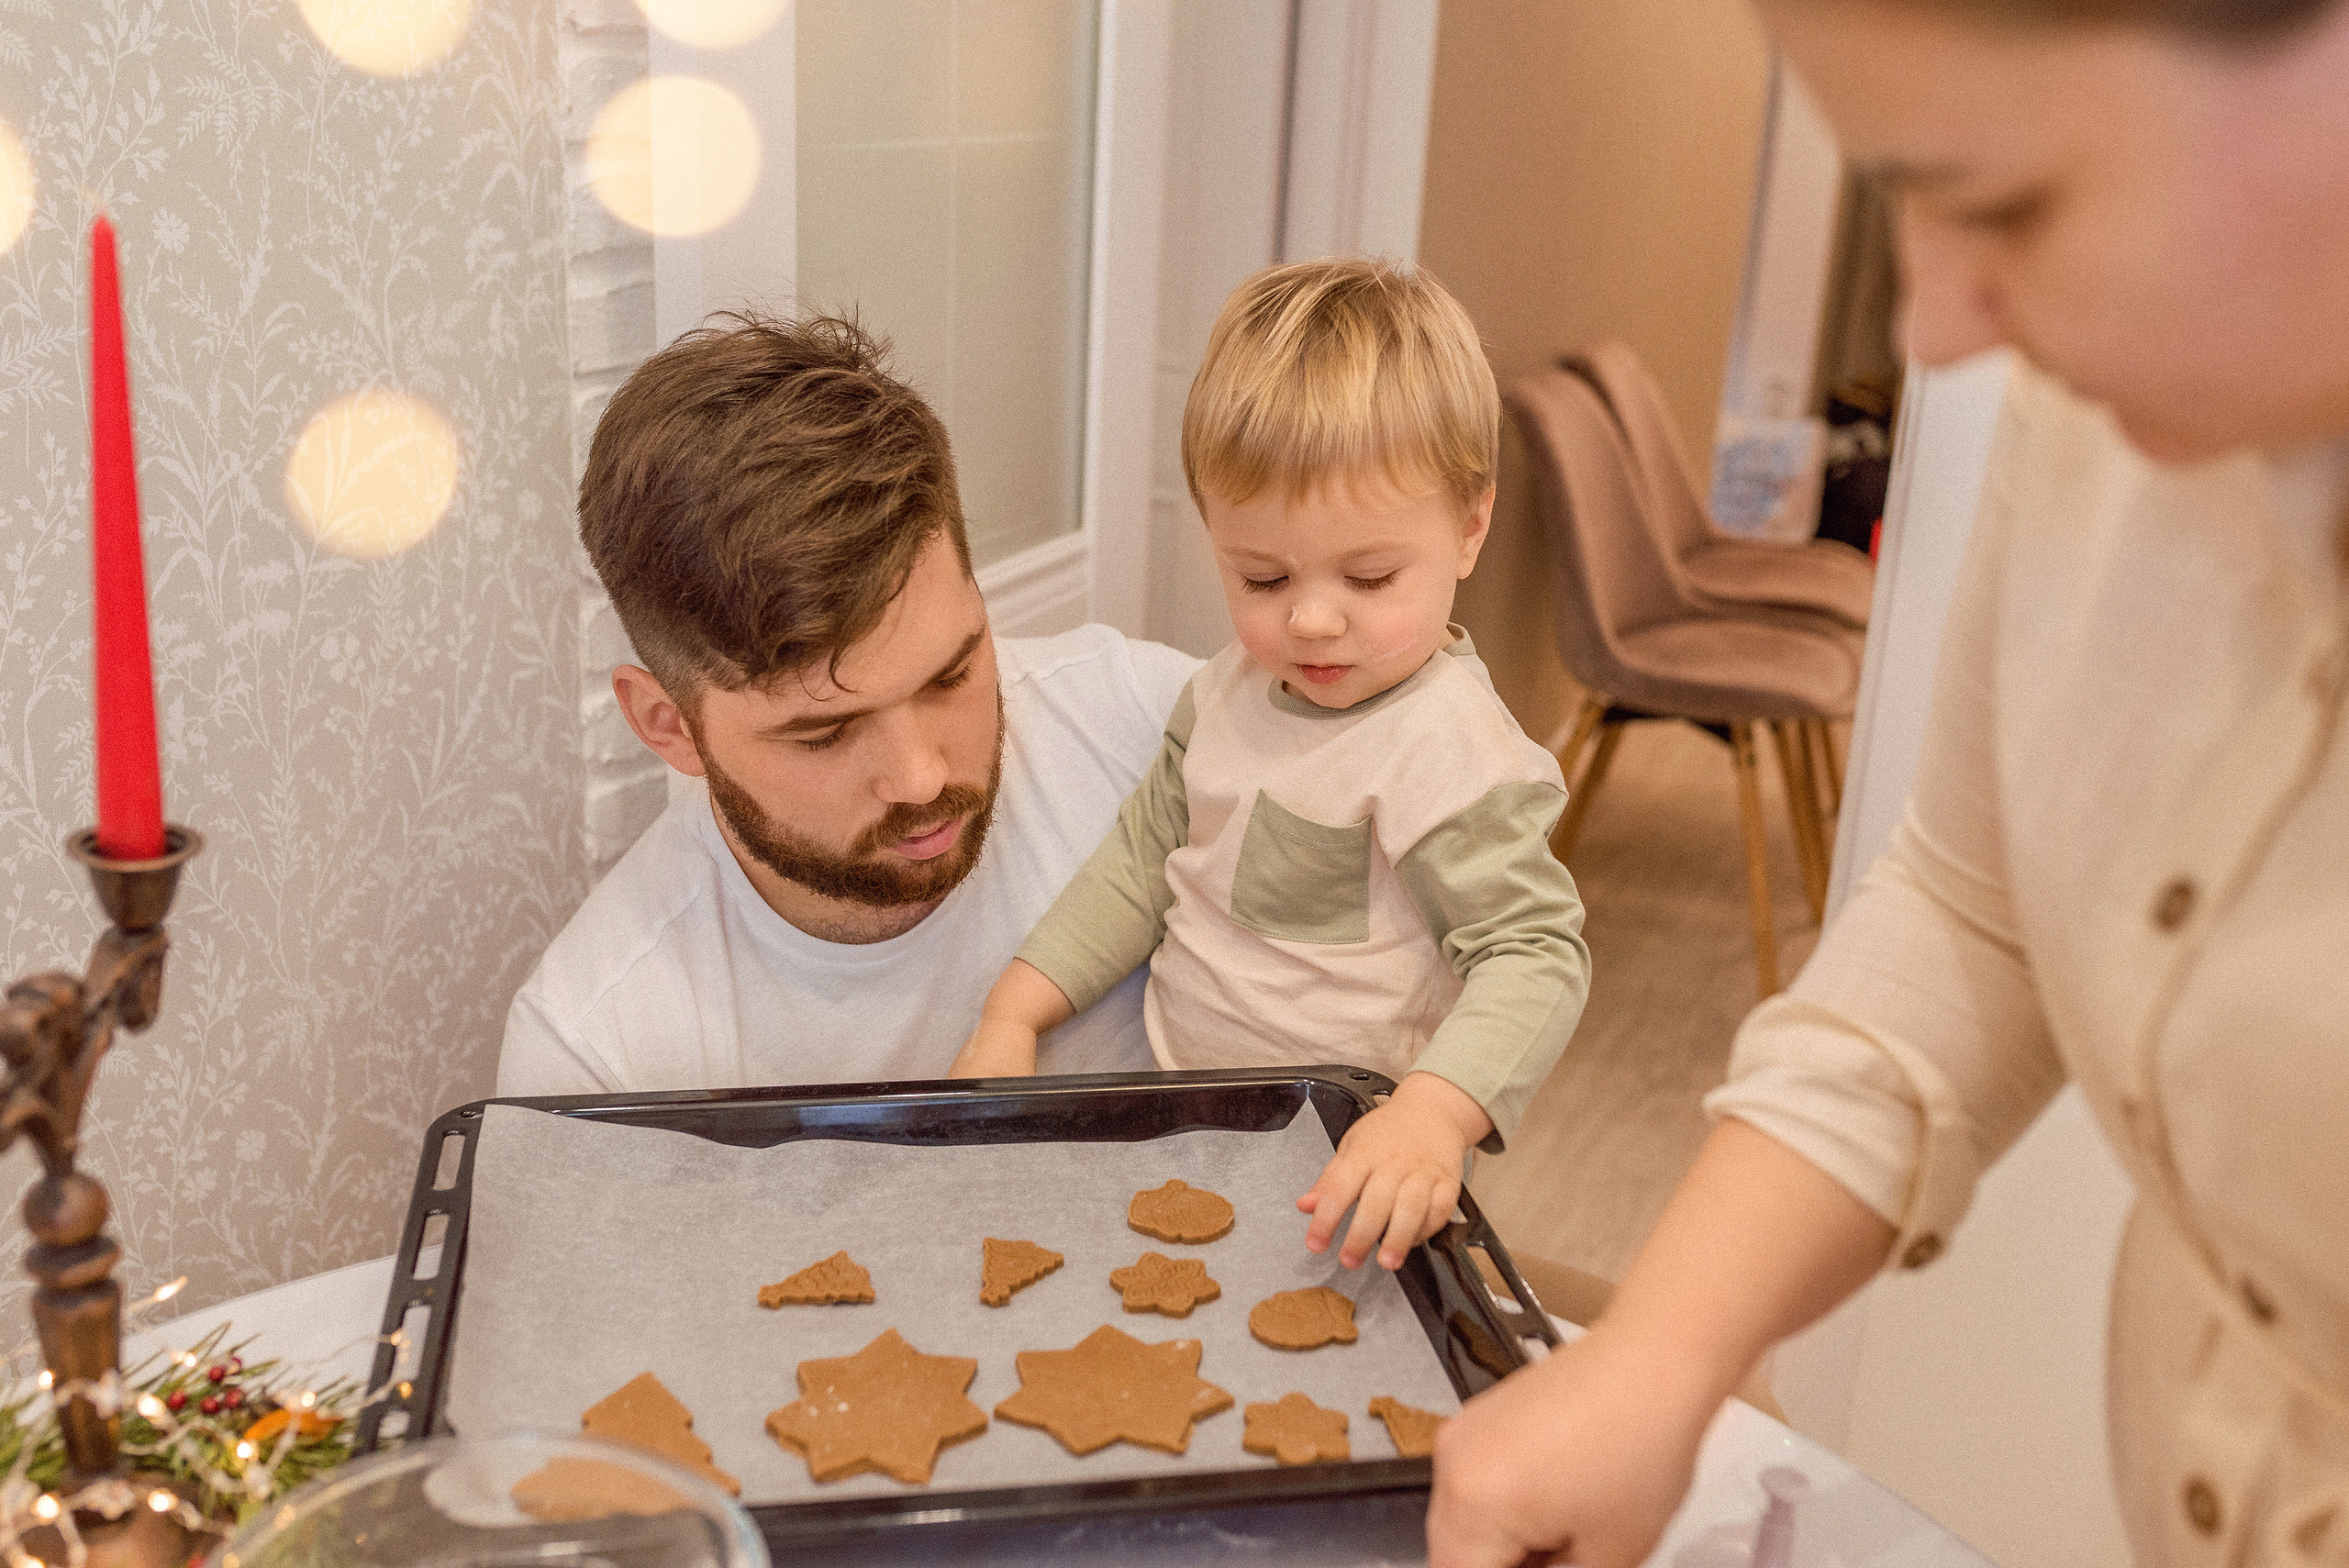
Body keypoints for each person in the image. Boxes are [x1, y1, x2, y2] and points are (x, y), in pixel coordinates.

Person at [1427, 1, 2349, 1565]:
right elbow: (1977, 908)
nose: (1932, 324)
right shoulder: (2098, 424)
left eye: (2007, 204)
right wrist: (1658, 1360)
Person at [951, 261, 1593, 1273]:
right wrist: (1013, 1010)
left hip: (1352, 1164)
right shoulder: (1222, 693)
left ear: (1469, 528)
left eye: (1369, 575)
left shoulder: (1448, 749)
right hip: (1185, 1118)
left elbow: (1534, 954)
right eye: (1262, 575)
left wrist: (1432, 1115)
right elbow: (1139, 861)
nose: (1310, 617)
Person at [496, 314, 1197, 1097]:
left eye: (951, 675)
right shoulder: (597, 1056)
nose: (922, 779)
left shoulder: (1159, 731)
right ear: (670, 725)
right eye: (825, 733)